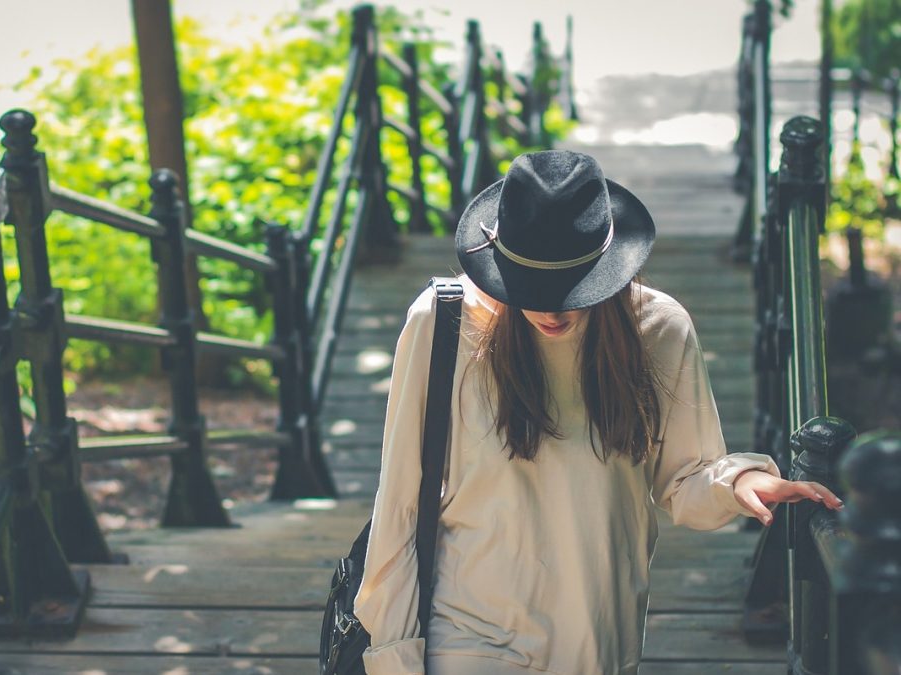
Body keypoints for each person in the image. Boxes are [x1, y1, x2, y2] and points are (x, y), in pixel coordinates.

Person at [351, 151, 844, 675]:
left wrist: (739, 482)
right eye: (531, 287)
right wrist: (393, 652)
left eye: (571, 287)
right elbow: (401, 494)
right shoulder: (443, 323)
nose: (551, 309)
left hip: (599, 633)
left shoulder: (658, 329)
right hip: (469, 628)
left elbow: (682, 480)